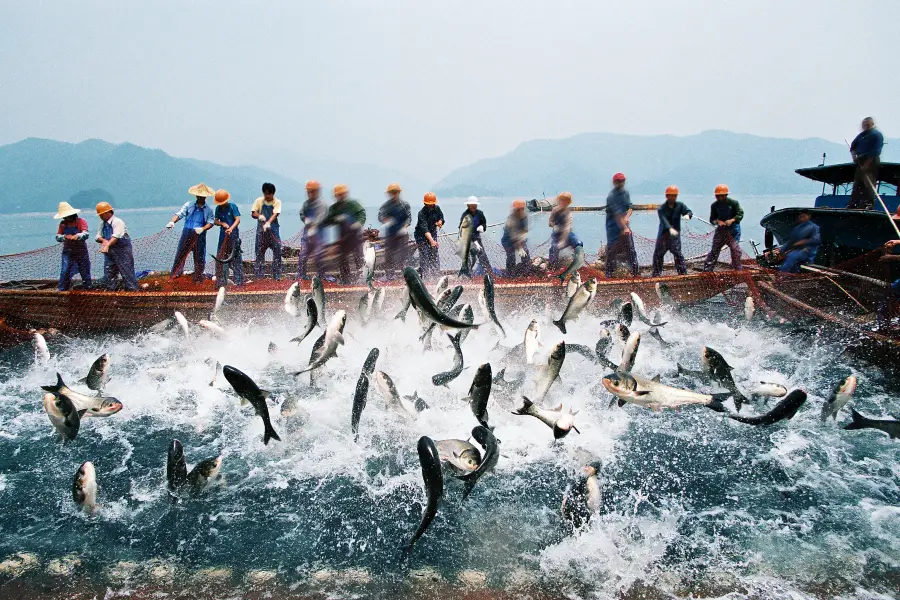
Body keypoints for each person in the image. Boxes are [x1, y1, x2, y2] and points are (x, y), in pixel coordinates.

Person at [167, 183, 215, 282]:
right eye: (199, 196)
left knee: (199, 256)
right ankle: (175, 274)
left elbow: (211, 223)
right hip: (187, 233)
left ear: (205, 196)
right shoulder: (189, 205)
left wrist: (202, 229)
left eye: (202, 196)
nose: (200, 197)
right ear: (196, 195)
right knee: (181, 254)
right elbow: (179, 214)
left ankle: (198, 277)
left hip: (199, 235)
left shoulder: (209, 210)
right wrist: (172, 221)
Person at [322, 184, 366, 283]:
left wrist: (359, 223)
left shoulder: (353, 204)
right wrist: (331, 220)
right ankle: (346, 279)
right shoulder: (334, 208)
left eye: (342, 194)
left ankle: (363, 277)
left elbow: (362, 214)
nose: (340, 196)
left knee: (358, 256)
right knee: (342, 258)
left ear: (345, 194)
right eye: (338, 195)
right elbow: (327, 221)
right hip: (343, 237)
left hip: (355, 236)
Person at [95, 202, 138, 291]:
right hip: (110, 252)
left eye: (101, 214)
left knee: (126, 272)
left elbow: (116, 236)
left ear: (108, 212)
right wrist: (103, 240)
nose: (100, 217)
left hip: (122, 251)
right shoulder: (102, 224)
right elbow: (97, 236)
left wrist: (107, 244)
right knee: (109, 273)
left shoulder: (117, 222)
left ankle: (132, 292)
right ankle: (111, 293)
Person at [651, 186, 693, 277]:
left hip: (674, 237)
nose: (672, 197)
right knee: (658, 255)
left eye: (674, 196)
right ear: (667, 196)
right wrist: (670, 229)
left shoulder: (680, 205)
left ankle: (682, 273)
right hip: (663, 236)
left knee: (678, 254)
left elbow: (689, 211)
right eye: (671, 195)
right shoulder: (662, 209)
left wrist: (688, 215)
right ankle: (656, 274)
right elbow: (664, 221)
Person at [703, 184, 744, 272]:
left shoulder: (734, 203)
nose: (719, 197)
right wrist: (718, 222)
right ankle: (707, 271)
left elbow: (740, 214)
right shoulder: (714, 205)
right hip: (721, 231)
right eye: (717, 196)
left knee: (735, 250)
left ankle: (738, 270)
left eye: (721, 196)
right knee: (714, 250)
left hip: (733, 231)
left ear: (726, 195)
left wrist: (732, 220)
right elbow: (712, 219)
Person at [605, 173, 639, 278]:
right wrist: (624, 227)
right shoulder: (611, 196)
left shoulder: (626, 193)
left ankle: (635, 273)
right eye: (618, 181)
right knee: (612, 251)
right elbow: (617, 214)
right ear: (614, 182)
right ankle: (608, 275)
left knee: (631, 250)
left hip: (625, 226)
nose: (621, 183)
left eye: (622, 181)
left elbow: (630, 207)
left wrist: (627, 217)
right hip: (613, 228)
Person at [54, 201, 92, 291]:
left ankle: (88, 288)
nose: (66, 218)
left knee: (84, 269)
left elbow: (86, 234)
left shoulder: (81, 221)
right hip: (68, 250)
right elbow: (58, 236)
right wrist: (64, 237)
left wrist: (77, 236)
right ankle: (63, 289)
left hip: (81, 250)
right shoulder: (62, 224)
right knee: (65, 269)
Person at [848, 117, 884, 210]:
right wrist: (854, 157)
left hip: (871, 161)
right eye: (864, 125)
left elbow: (875, 151)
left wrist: (867, 164)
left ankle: (869, 204)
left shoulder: (876, 135)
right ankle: (853, 204)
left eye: (867, 124)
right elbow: (852, 147)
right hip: (860, 160)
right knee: (857, 183)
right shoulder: (861, 135)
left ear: (872, 124)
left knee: (868, 183)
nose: (865, 126)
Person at [378, 182, 412, 279]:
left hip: (402, 234)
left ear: (398, 193)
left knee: (403, 256)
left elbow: (409, 218)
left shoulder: (405, 205)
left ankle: (406, 275)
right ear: (389, 193)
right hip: (390, 234)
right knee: (389, 255)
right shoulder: (386, 206)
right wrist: (386, 220)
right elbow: (380, 216)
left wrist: (405, 227)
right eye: (392, 192)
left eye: (395, 192)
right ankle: (389, 275)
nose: (394, 194)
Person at [252, 182, 283, 280]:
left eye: (270, 194)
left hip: (273, 230)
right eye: (266, 193)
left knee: (277, 251)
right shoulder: (259, 201)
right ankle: (259, 276)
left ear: (273, 194)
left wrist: (268, 222)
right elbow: (253, 213)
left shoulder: (277, 202)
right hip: (261, 231)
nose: (268, 196)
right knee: (259, 252)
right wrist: (259, 216)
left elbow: (275, 214)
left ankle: (277, 276)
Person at [212, 188, 244, 285]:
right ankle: (220, 281)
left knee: (236, 257)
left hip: (233, 236)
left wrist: (231, 228)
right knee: (221, 256)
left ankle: (239, 281)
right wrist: (222, 223)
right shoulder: (218, 208)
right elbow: (215, 221)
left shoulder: (232, 206)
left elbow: (237, 220)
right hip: (223, 236)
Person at [297, 180, 326, 280]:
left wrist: (314, 226)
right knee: (303, 256)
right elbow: (302, 214)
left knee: (319, 256)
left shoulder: (322, 204)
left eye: (313, 191)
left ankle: (321, 277)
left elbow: (321, 217)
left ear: (317, 192)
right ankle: (301, 276)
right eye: (309, 191)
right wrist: (305, 220)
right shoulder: (306, 204)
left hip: (319, 235)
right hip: (307, 234)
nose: (310, 193)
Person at [459, 196, 492, 275]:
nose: (474, 207)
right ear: (468, 206)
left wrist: (482, 227)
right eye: (472, 205)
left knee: (482, 255)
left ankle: (489, 273)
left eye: (475, 205)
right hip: (467, 240)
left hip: (477, 238)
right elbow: (462, 229)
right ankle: (466, 274)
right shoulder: (465, 215)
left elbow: (484, 224)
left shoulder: (480, 213)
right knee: (470, 257)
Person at [414, 192, 444, 278]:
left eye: (432, 204)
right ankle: (425, 276)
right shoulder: (421, 213)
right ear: (425, 203)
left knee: (434, 254)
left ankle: (435, 275)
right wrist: (431, 241)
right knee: (425, 255)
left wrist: (440, 222)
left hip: (432, 233)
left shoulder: (437, 208)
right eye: (429, 204)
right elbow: (424, 229)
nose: (431, 206)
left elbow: (441, 218)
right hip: (421, 236)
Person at [549, 192, 583, 268]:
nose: (563, 202)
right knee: (554, 247)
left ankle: (578, 262)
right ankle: (552, 266)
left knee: (578, 243)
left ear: (568, 202)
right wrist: (553, 225)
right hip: (556, 234)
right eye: (561, 200)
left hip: (567, 233)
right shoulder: (554, 210)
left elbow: (567, 228)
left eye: (565, 200)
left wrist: (563, 241)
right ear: (559, 200)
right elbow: (550, 221)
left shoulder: (569, 213)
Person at [501, 199, 530, 276]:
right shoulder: (511, 219)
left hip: (519, 239)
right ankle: (510, 274)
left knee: (526, 253)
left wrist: (522, 240)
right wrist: (519, 248)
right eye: (518, 209)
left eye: (522, 208)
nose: (520, 210)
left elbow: (524, 230)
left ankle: (527, 272)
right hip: (508, 241)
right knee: (511, 257)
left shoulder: (525, 216)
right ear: (515, 209)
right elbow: (513, 236)